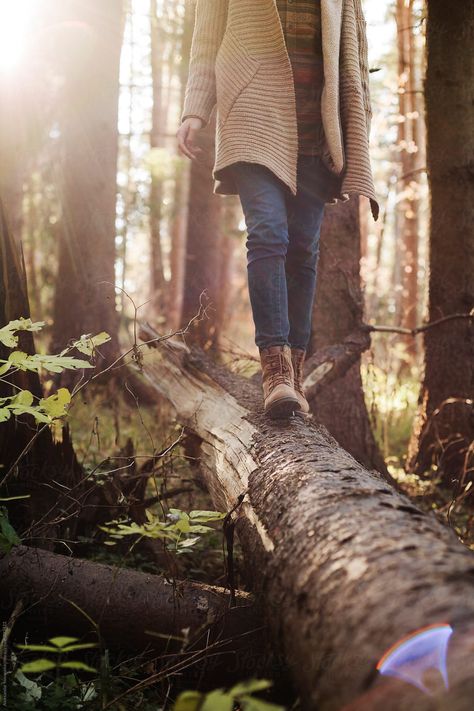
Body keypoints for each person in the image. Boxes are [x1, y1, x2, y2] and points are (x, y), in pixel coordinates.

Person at [176, 0, 378, 419]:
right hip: (254, 118)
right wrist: (196, 108)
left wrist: (360, 124)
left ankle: (294, 373)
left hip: (319, 128)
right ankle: (276, 372)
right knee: (268, 232)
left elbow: (355, 49)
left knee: (304, 248)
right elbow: (207, 36)